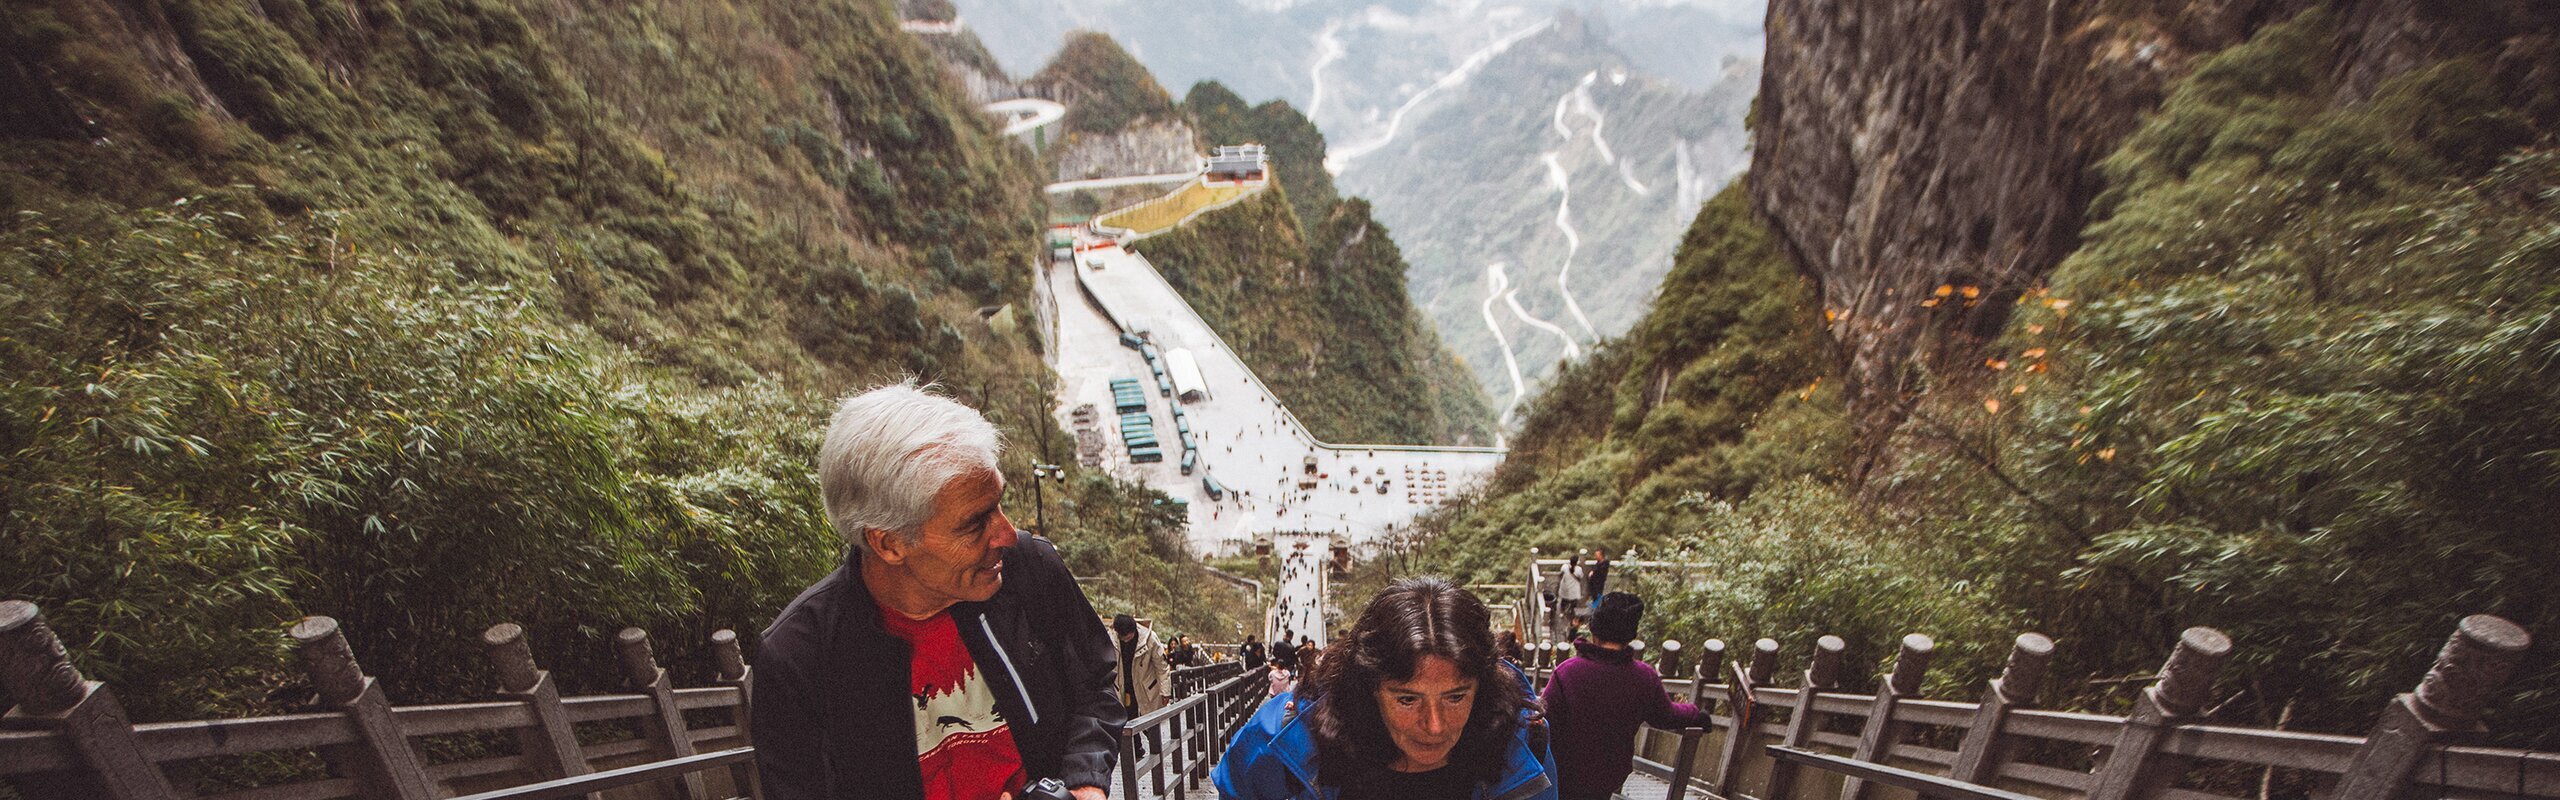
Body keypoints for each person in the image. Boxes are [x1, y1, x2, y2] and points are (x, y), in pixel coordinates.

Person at [753, 382, 1121, 800]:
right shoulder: (800, 659)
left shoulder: (1029, 571)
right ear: (889, 543)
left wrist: (1085, 786)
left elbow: (1093, 684)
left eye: (999, 504)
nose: (1005, 534)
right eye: (973, 523)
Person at [1215, 578, 1557, 800]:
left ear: (1481, 689)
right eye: (1407, 699)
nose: (1435, 725)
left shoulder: (1520, 743)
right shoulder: (1284, 740)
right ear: (1370, 686)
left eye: (1456, 697)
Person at [1542, 593, 1707, 800]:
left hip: (1563, 774)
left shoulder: (1568, 672)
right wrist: (1696, 714)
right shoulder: (1644, 676)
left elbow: (1543, 719)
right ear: (1630, 636)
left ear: (1594, 630)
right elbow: (1666, 715)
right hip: (1607, 778)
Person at [1115, 614, 1171, 720]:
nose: (1125, 640)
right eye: (1123, 638)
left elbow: (1162, 666)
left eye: (1128, 637)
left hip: (1146, 686)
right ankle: (1134, 737)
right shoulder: (1112, 639)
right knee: (1127, 720)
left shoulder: (1150, 638)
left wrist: (1165, 691)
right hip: (1123, 686)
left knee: (1150, 721)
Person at [1582, 552, 1610, 617]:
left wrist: (1593, 573)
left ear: (1601, 555)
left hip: (1599, 583)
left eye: (1597, 555)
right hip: (1594, 582)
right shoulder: (1598, 562)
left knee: (1598, 595)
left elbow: (1599, 573)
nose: (1595, 557)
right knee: (1594, 595)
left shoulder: (1604, 564)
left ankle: (1597, 609)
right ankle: (1595, 607)